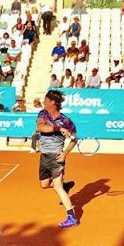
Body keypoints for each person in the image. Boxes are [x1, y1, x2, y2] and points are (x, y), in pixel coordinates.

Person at [36, 90, 78, 228]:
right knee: (44, 184)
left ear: (53, 102)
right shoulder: (43, 114)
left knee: (57, 186)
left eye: (46, 100)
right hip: (44, 156)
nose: (44, 102)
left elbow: (74, 139)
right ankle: (66, 186)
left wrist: (65, 153)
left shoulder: (67, 121)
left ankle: (71, 217)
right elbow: (41, 127)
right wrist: (59, 128)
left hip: (56, 157)